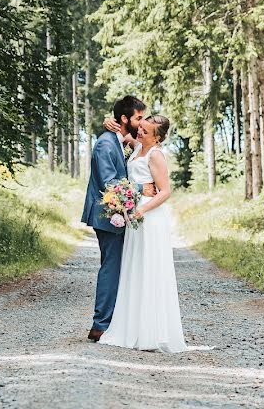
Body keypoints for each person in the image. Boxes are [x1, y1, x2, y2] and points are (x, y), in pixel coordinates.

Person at [97, 114, 193, 353]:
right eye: (140, 128)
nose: (140, 132)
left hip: (150, 218)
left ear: (158, 138)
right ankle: (133, 326)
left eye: (146, 131)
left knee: (149, 269)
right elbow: (123, 131)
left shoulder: (156, 155)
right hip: (136, 216)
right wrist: (108, 121)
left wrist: (141, 210)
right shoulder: (139, 145)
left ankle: (151, 332)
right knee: (135, 268)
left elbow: (165, 191)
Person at [81, 96, 156, 342]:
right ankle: (100, 325)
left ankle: (113, 322)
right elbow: (110, 182)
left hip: (117, 214)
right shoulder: (104, 144)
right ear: (124, 119)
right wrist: (140, 189)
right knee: (111, 268)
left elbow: (137, 147)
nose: (142, 121)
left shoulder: (117, 139)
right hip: (107, 215)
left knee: (118, 267)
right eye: (138, 118)